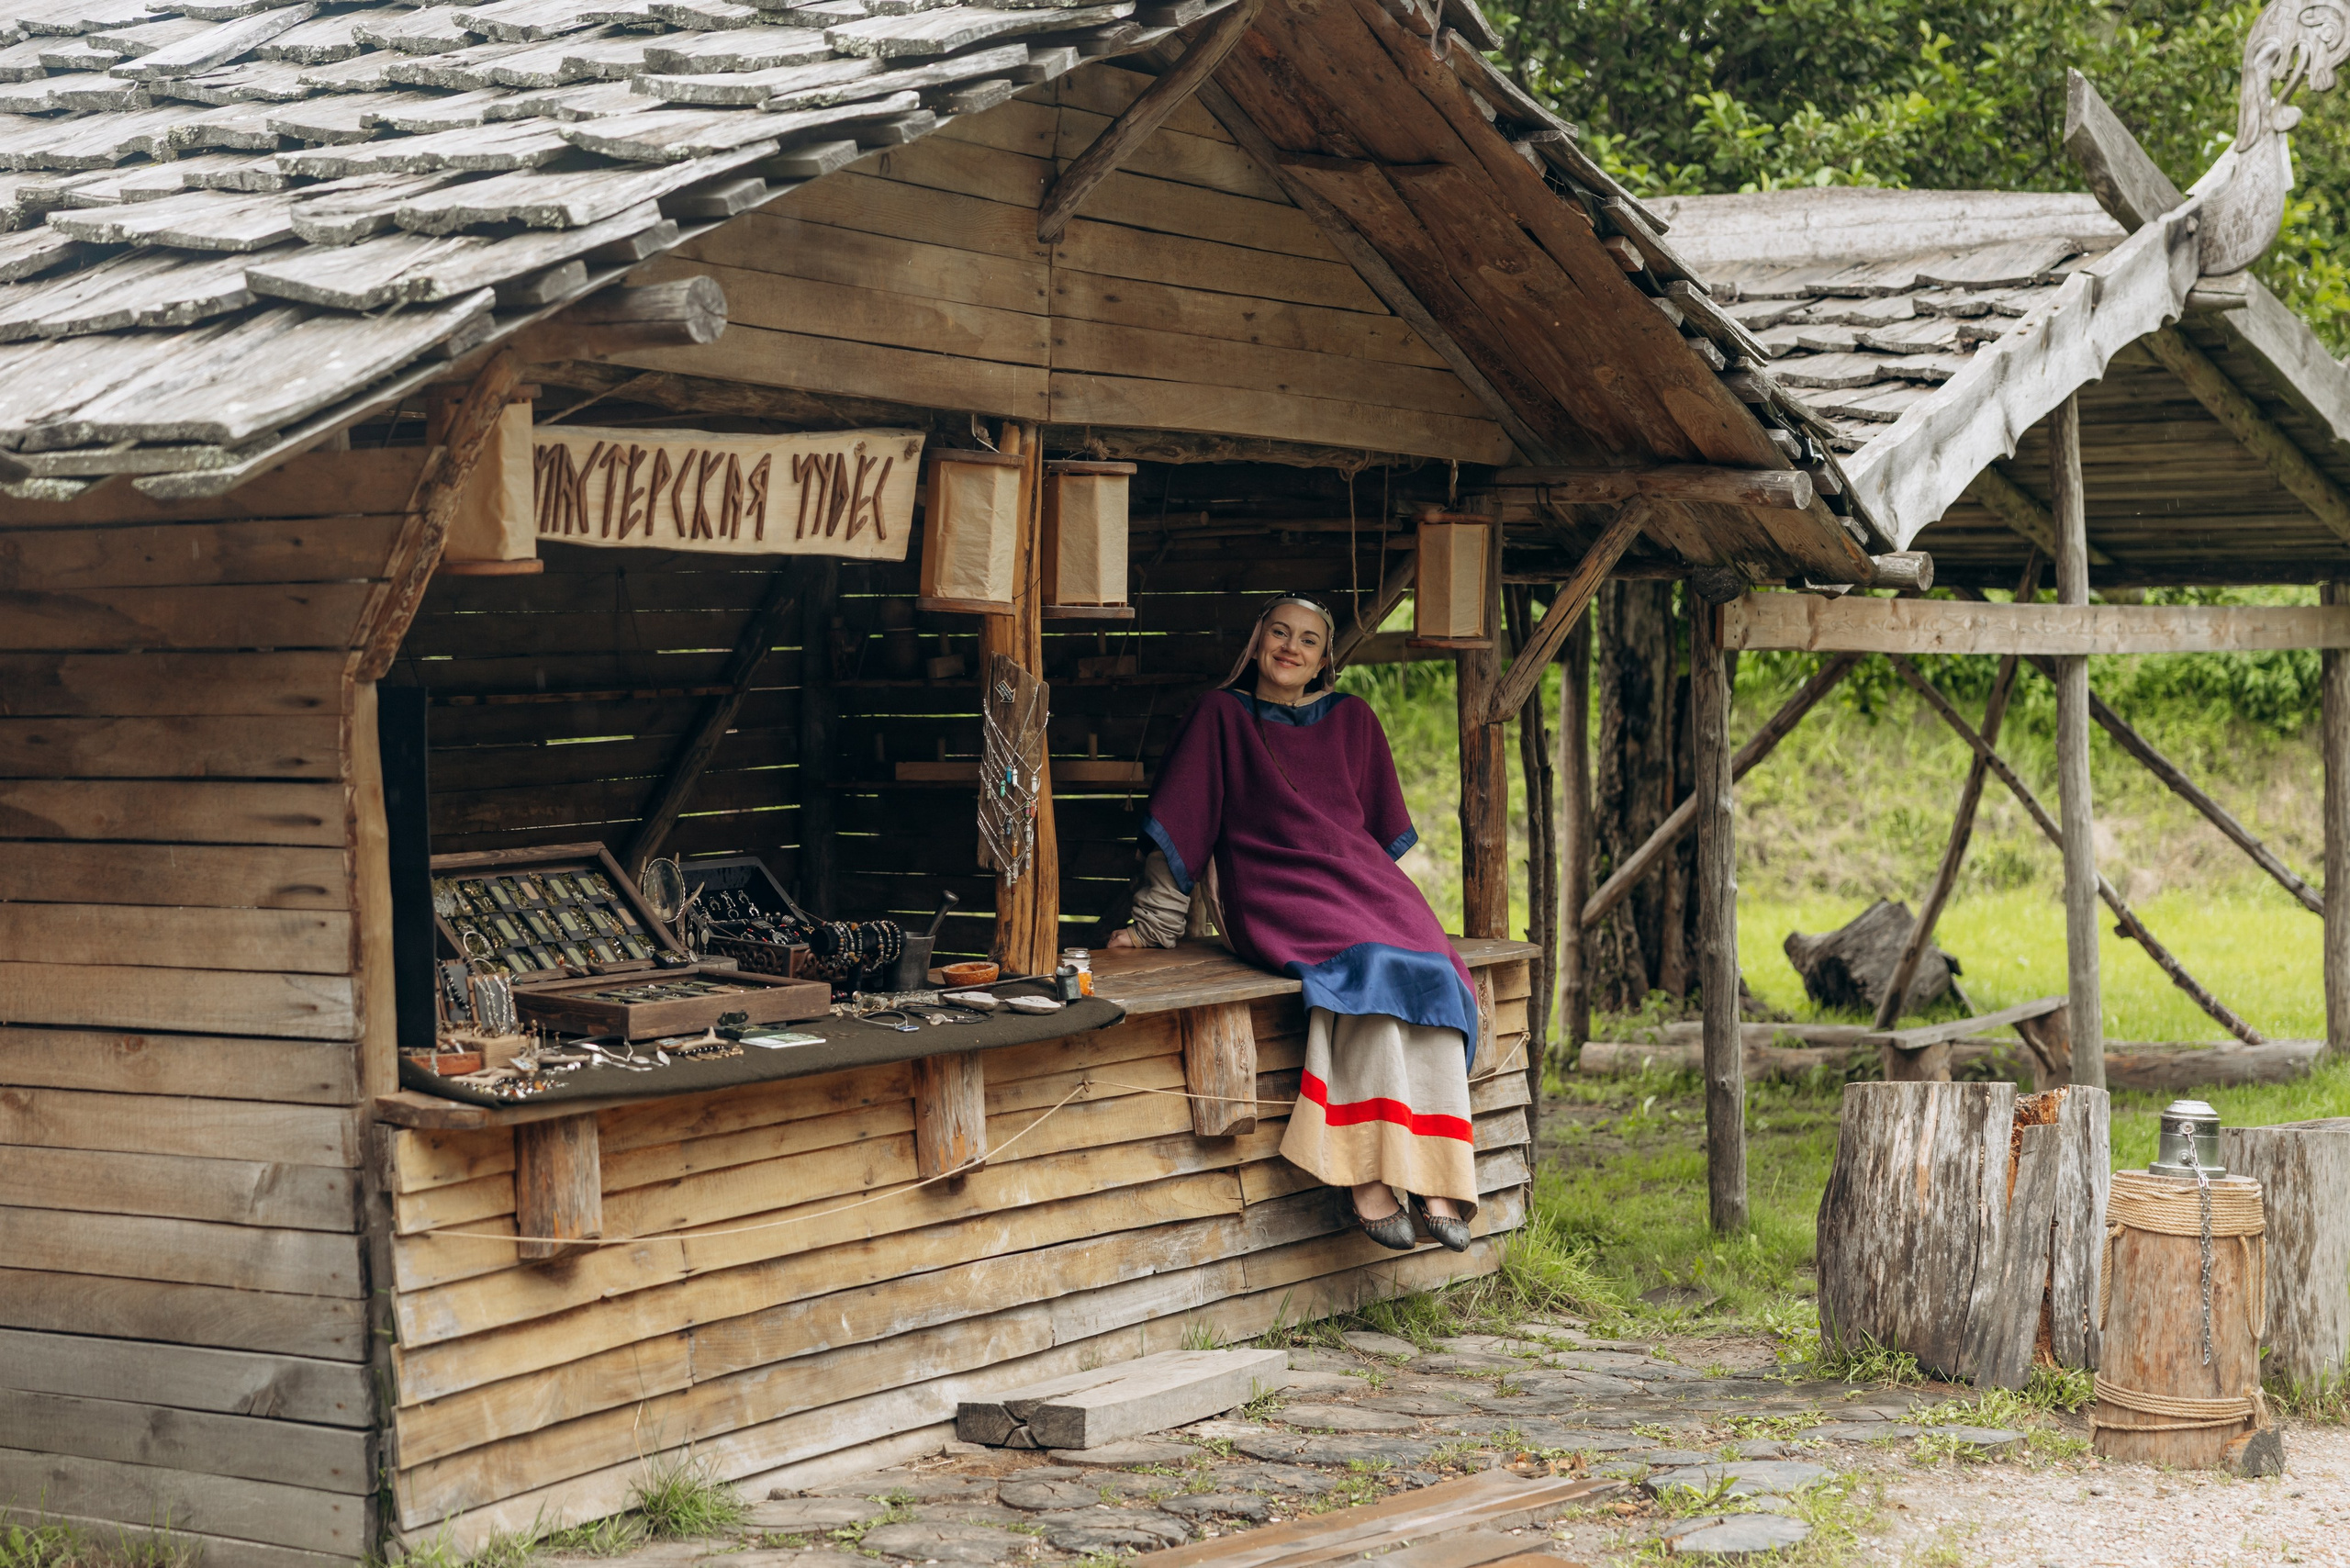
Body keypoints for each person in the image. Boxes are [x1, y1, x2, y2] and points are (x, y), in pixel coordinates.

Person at [1108, 594, 1480, 1253]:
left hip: (1361, 881)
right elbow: (1186, 825)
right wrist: (1151, 927)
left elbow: (1373, 829)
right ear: (1255, 643)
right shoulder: (1220, 715)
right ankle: (1367, 1173)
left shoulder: (1353, 718)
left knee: (1436, 972)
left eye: (1308, 640)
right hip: (1273, 881)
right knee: (1368, 969)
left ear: (1324, 658)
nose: (1291, 647)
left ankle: (1433, 1174)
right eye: (1279, 633)